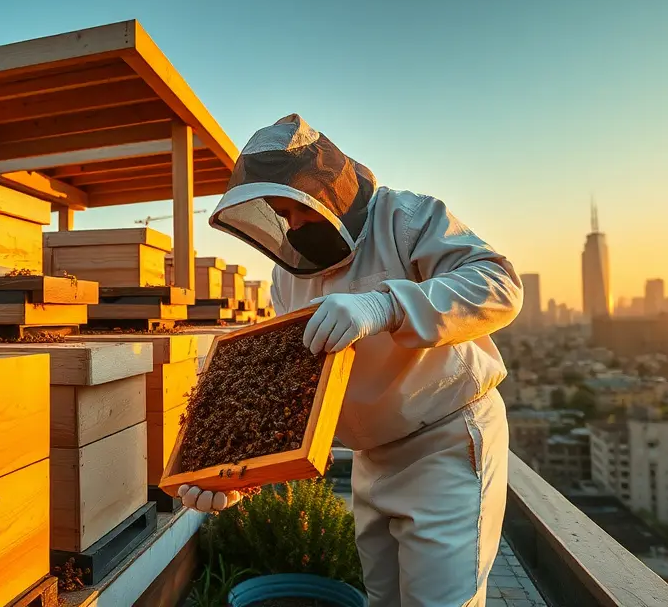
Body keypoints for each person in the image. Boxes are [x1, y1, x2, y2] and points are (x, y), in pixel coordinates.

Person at [176, 114, 523, 607]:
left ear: (328, 193)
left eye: (300, 208)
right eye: (281, 212)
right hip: (369, 455)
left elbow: (499, 286)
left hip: (446, 444)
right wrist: (233, 474)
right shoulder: (286, 279)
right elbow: (283, 387)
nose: (293, 226)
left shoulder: (407, 219)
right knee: (382, 600)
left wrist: (386, 305)